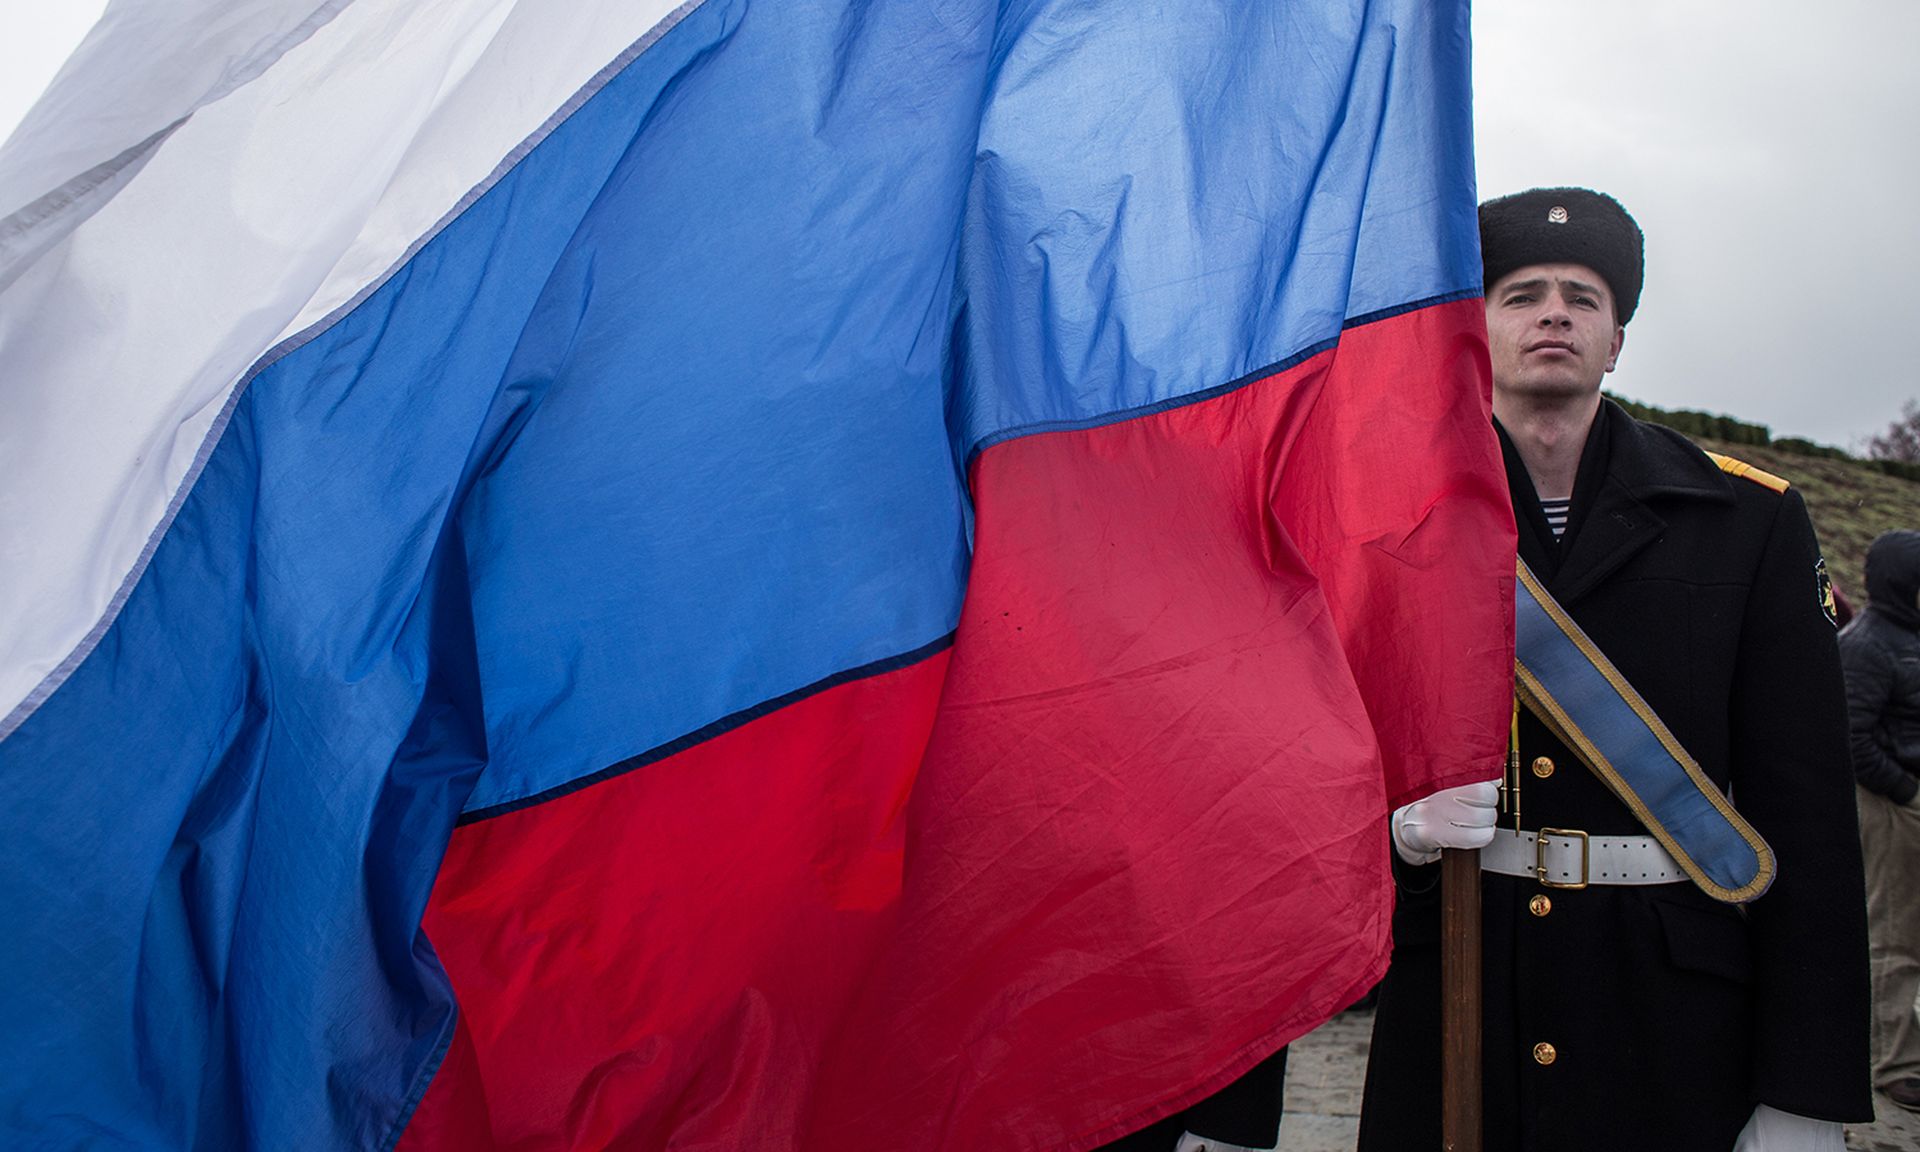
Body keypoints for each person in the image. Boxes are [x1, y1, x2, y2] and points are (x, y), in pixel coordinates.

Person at [1357, 187, 1872, 1150]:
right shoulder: (1395, 516)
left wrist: (1805, 1089)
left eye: (1583, 297)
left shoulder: (1748, 519)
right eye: (1522, 294)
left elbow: (1805, 815)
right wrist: (1400, 837)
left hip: (1669, 1012)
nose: (1555, 312)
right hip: (1461, 991)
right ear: (1475, 329)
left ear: (1616, 341)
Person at [1840, 529, 1920, 1108]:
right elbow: (1852, 738)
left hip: (1909, 801)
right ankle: (1897, 1066)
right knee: (1893, 933)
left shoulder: (1909, 638)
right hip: (1892, 807)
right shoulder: (1868, 645)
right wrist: (1907, 792)